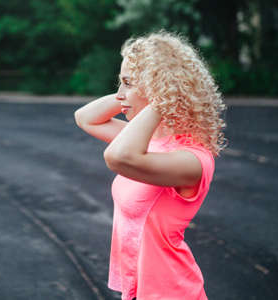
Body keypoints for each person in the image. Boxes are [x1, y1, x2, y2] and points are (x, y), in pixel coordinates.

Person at [74, 30, 227, 300]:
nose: (120, 94)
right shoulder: (155, 142)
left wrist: (163, 98)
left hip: (172, 292)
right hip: (138, 290)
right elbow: (85, 118)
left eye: (128, 83)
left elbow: (118, 157)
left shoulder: (192, 159)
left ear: (157, 88)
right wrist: (131, 94)